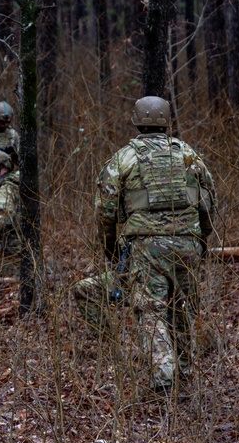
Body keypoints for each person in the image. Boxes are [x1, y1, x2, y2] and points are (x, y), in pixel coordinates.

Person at [90, 95, 217, 395]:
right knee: (183, 308)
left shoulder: (123, 159)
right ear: (168, 120)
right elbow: (208, 201)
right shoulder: (189, 155)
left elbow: (104, 212)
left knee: (150, 310)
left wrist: (111, 250)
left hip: (146, 247)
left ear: (136, 121)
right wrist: (202, 240)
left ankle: (163, 378)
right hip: (188, 243)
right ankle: (185, 374)